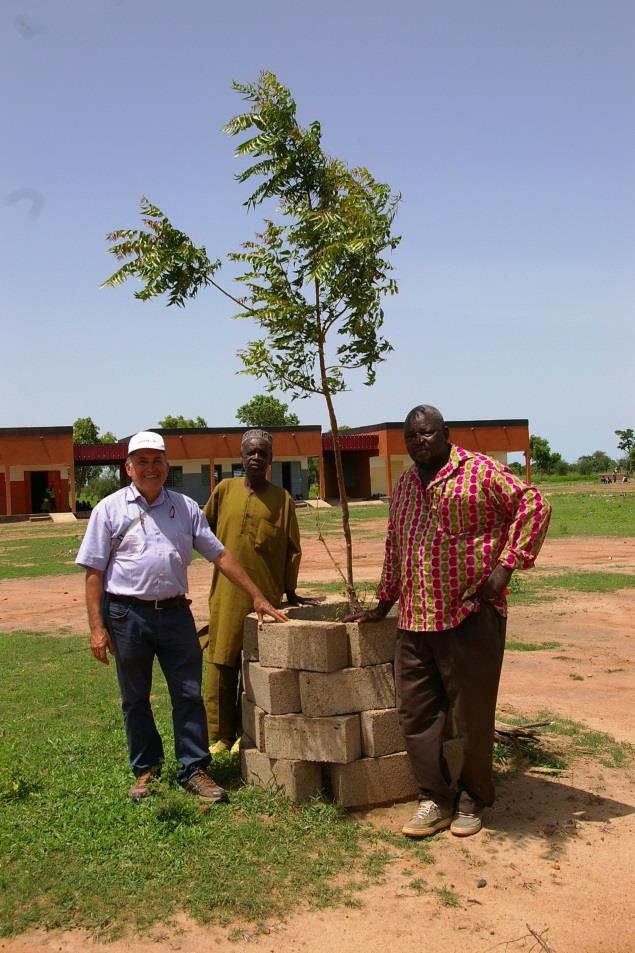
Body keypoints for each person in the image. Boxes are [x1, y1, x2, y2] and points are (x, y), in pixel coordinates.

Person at [348, 405, 551, 839]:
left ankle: (473, 797)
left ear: (445, 433)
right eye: (411, 436)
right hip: (416, 620)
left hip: (469, 615)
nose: (419, 441)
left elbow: (534, 504)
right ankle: (434, 799)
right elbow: (395, 546)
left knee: (473, 715)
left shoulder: (478, 471)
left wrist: (505, 567)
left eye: (427, 433)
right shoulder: (404, 484)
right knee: (417, 716)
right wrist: (384, 602)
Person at [75, 430, 286, 803]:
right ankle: (145, 771)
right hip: (127, 615)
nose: (150, 468)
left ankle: (194, 768)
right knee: (135, 697)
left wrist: (257, 595)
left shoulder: (185, 508)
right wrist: (97, 628)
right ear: (128, 467)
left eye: (157, 461)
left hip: (174, 614)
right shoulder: (109, 509)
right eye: (142, 461)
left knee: (188, 694)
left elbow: (220, 554)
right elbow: (94, 572)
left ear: (167, 466)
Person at [202, 429, 313, 754]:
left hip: (263, 599)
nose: (256, 457)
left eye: (262, 453)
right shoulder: (224, 490)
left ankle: (244, 731)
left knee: (253, 667)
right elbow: (201, 531)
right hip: (224, 594)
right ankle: (220, 734)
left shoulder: (282, 500)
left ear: (270, 459)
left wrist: (290, 591)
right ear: (241, 456)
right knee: (221, 663)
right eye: (250, 452)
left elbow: (292, 548)